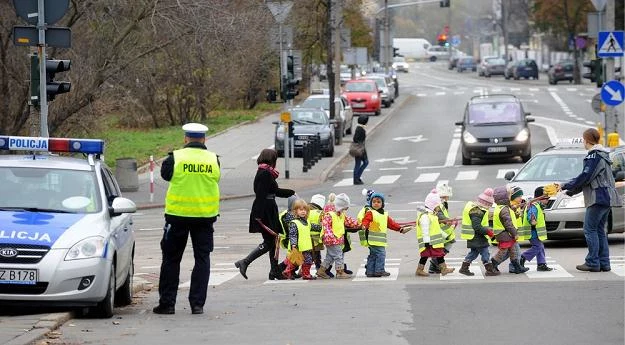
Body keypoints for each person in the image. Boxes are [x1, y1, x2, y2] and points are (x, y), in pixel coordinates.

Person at [153, 123, 220, 315]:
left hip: (177, 218)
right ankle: (197, 304)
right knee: (202, 259)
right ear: (204, 139)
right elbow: (216, 179)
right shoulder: (214, 159)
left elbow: (165, 176)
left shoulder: (175, 158)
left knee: (171, 260)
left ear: (185, 139)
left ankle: (167, 304)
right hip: (205, 217)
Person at [561, 128, 622, 272]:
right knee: (600, 230)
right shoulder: (604, 155)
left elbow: (585, 177)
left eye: (583, 139)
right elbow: (591, 179)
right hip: (607, 198)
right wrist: (570, 191)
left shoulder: (593, 156)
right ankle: (604, 263)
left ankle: (593, 262)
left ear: (586, 140)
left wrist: (565, 185)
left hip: (598, 198)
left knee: (589, 230)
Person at [235, 149, 295, 280]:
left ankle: (274, 271)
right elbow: (261, 195)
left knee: (273, 241)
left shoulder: (266, 172)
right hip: (265, 211)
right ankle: (245, 262)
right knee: (269, 241)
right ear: (271, 159)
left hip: (268, 209)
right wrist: (258, 216)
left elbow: (275, 191)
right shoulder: (265, 173)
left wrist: (291, 193)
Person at [357, 190, 405, 277]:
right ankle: (379, 270)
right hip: (373, 239)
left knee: (373, 255)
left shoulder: (384, 215)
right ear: (370, 203)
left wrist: (400, 229)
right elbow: (366, 220)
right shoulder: (370, 212)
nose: (376, 203)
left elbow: (391, 224)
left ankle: (370, 271)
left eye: (378, 202)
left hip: (377, 240)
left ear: (382, 204)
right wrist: (364, 225)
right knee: (381, 254)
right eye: (374, 201)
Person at [316, 193, 360, 279]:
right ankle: (340, 272)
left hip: (337, 239)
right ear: (340, 206)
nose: (346, 209)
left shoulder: (340, 214)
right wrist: (330, 238)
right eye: (345, 207)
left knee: (330, 257)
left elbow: (348, 221)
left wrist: (359, 224)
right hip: (331, 239)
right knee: (338, 255)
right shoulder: (329, 214)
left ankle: (321, 270)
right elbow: (326, 227)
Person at [459, 188, 499, 276]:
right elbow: (477, 226)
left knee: (474, 253)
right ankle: (489, 269)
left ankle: (464, 268)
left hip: (474, 236)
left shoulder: (475, 208)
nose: (489, 207)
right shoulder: (477, 212)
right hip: (477, 236)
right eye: (489, 205)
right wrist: (488, 232)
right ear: (485, 203)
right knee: (485, 252)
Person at [490, 186, 528, 274]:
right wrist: (515, 233)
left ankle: (517, 267)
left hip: (505, 234)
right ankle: (492, 264)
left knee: (513, 250)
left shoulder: (502, 207)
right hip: (504, 234)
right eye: (509, 195)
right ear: (504, 197)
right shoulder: (504, 209)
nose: (510, 196)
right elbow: (508, 223)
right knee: (503, 251)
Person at [415, 190, 454, 277]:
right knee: (438, 254)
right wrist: (426, 241)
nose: (439, 208)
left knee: (427, 255)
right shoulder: (425, 216)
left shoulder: (432, 215)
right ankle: (443, 269)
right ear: (432, 206)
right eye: (437, 206)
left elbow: (435, 228)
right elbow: (425, 229)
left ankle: (420, 269)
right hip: (429, 241)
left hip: (433, 241)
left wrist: (444, 234)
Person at [282, 198, 321, 280]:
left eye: (305, 210)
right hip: (298, 247)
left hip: (305, 247)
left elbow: (314, 227)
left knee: (300, 261)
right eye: (300, 210)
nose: (303, 211)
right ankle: (304, 274)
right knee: (299, 261)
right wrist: (293, 244)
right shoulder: (294, 223)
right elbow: (293, 235)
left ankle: (288, 272)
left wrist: (323, 227)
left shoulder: (306, 222)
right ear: (295, 211)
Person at [519, 187, 553, 272]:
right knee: (538, 246)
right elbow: (531, 214)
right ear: (540, 198)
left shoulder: (538, 206)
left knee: (540, 247)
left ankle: (541, 264)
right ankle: (523, 257)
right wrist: (532, 220)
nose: (548, 200)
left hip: (536, 232)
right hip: (532, 231)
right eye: (546, 198)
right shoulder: (533, 205)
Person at [429, 184, 456, 274]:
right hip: (439, 230)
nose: (447, 197)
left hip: (444, 229)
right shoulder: (438, 203)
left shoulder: (443, 203)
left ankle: (435, 265)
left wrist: (448, 221)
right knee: (443, 247)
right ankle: (435, 264)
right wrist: (447, 220)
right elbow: (439, 214)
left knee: (444, 246)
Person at [352, 115, 369, 185]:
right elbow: (357, 139)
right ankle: (356, 178)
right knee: (364, 162)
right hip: (359, 149)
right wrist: (361, 149)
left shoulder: (359, 128)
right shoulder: (360, 129)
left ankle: (357, 178)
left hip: (358, 148)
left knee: (359, 164)